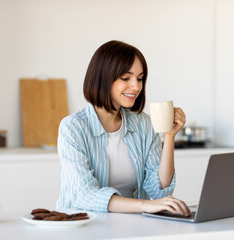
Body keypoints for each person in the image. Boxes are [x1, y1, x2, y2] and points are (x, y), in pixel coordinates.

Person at [56, 40, 190, 216]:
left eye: (140, 78)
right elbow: (85, 194)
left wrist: (170, 136)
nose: (136, 87)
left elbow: (159, 190)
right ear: (103, 78)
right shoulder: (73, 127)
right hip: (83, 224)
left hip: (131, 224)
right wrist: (144, 206)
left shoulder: (143, 124)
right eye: (126, 78)